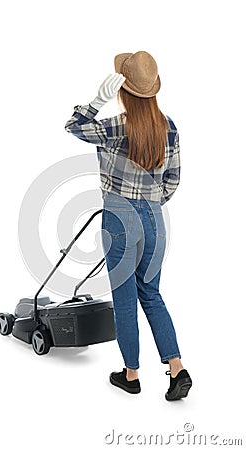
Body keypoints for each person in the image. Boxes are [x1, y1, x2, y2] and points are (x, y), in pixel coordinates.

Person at [65, 51, 192, 400]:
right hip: (155, 220)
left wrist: (96, 100)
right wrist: (150, 203)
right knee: (151, 293)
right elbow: (173, 181)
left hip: (119, 217)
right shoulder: (169, 127)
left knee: (125, 298)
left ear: (122, 90)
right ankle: (177, 367)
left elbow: (73, 126)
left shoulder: (117, 126)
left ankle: (131, 375)